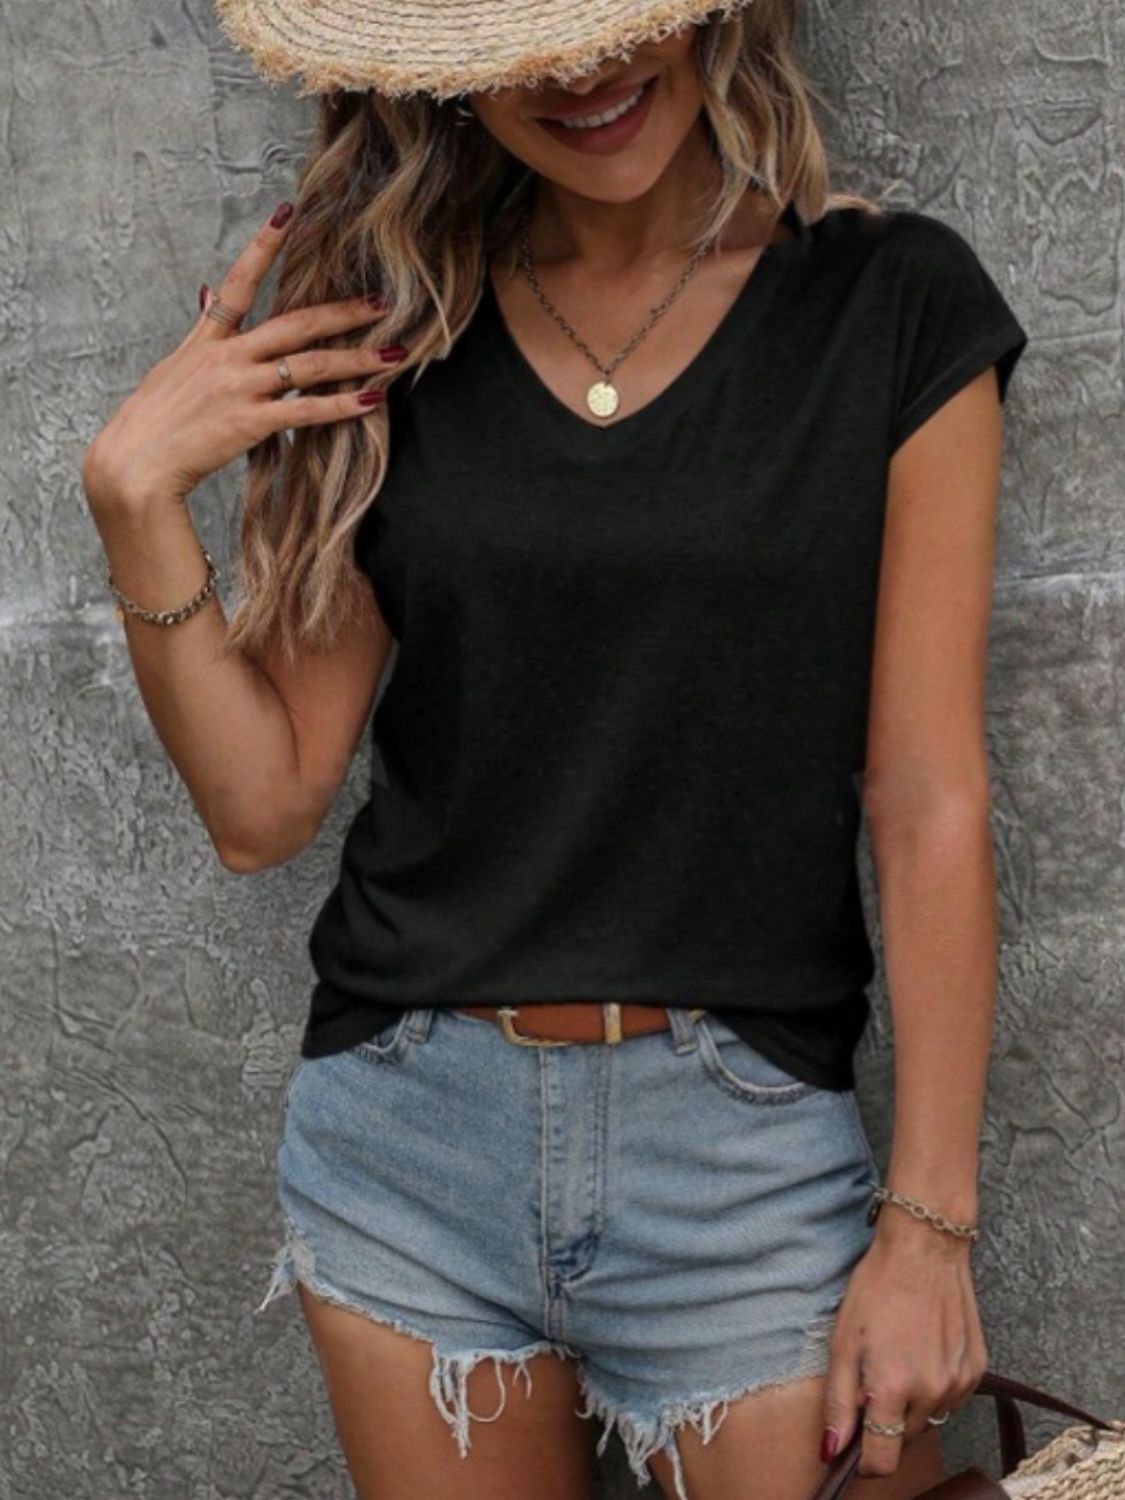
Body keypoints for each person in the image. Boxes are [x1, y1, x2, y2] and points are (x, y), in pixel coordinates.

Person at [80, 1, 1028, 1496]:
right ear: (448, 68)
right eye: (529, 35)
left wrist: (927, 1231)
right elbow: (263, 806)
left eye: (610, 14)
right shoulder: (389, 329)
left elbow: (925, 797)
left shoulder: (890, 304)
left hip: (742, 1161)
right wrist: (134, 500)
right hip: (409, 1144)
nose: (586, 72)